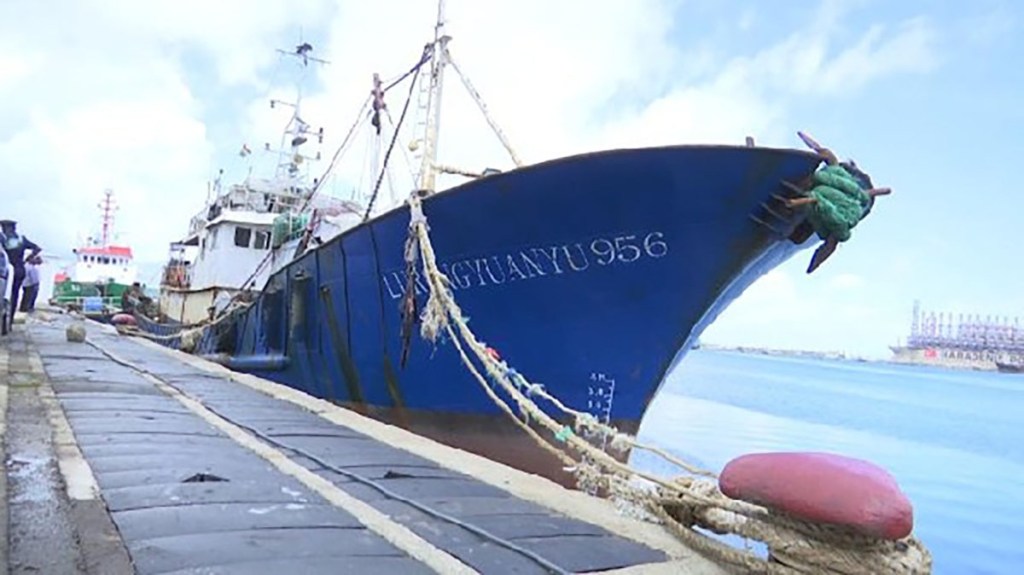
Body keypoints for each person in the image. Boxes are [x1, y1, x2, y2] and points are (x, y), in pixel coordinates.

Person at [0, 220, 42, 317]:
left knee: (3, 294)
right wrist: (28, 259)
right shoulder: (21, 239)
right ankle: (9, 320)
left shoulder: (2, 238)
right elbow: (37, 248)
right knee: (14, 294)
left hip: (4, 269)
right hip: (19, 269)